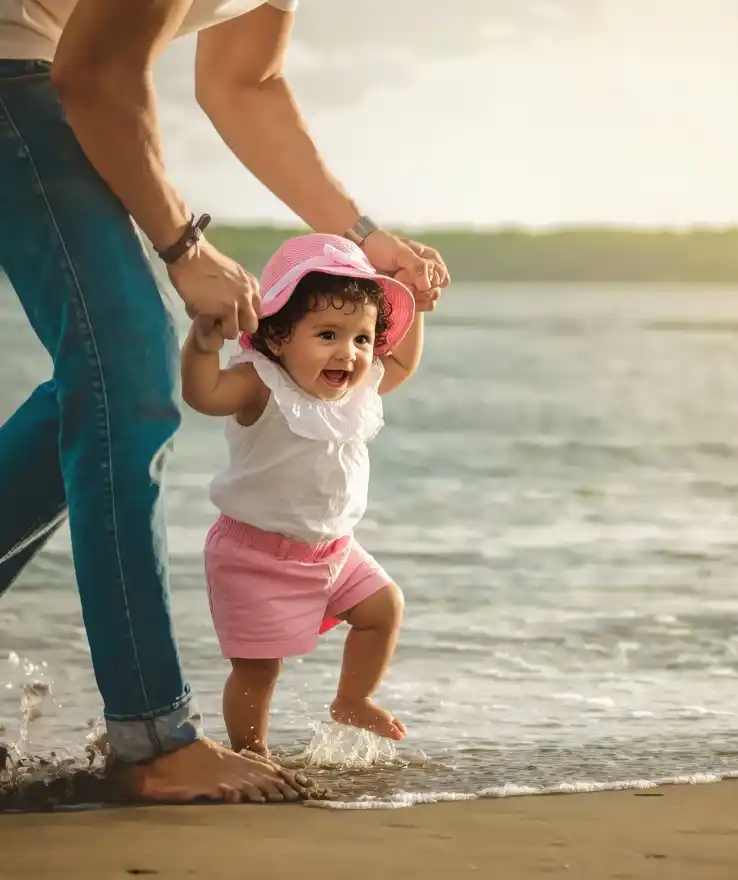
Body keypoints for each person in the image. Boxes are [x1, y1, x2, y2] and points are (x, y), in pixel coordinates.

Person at [0, 0, 449, 804]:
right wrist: (185, 246)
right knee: (129, 384)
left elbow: (248, 81)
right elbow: (96, 75)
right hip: (16, 71)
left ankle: (148, 736)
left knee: (101, 389)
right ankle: (150, 738)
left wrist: (367, 238)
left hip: (38, 73)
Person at [181, 232, 420, 756]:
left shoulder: (353, 392)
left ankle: (353, 698)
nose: (350, 353)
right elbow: (202, 395)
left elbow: (400, 365)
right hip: (255, 557)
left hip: (334, 550)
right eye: (328, 334)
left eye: (362, 339)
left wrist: (415, 302)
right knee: (258, 669)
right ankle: (251, 750)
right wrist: (201, 346)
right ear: (280, 336)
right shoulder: (259, 384)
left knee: (384, 608)